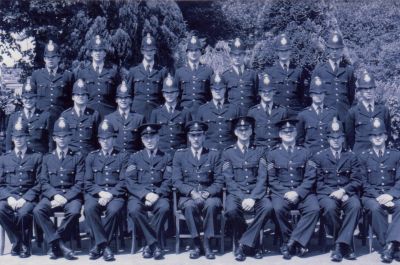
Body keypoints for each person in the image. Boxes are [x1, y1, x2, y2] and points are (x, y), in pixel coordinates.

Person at [267, 118, 320, 260]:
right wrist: (286, 193)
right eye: (285, 131)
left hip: (303, 192)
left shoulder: (306, 152)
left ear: (296, 133)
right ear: (280, 134)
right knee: (277, 209)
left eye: (291, 131)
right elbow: (272, 179)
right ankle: (291, 241)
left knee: (314, 209)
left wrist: (298, 192)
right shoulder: (272, 153)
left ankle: (291, 242)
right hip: (281, 193)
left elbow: (310, 177)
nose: (288, 133)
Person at [222, 116, 273, 261]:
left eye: (247, 129)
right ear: (235, 132)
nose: (243, 132)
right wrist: (244, 198)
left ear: (251, 131)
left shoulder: (260, 151)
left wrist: (253, 197)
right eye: (240, 129)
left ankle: (243, 245)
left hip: (256, 193)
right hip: (237, 194)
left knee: (268, 207)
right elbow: (229, 180)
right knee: (231, 210)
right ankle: (253, 245)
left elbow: (263, 178)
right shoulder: (228, 152)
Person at [33, 117, 84, 260]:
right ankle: (60, 244)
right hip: (52, 196)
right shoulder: (47, 157)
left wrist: (65, 198)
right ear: (54, 138)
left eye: (66, 136)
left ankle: (54, 243)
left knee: (74, 212)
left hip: (71, 196)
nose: (62, 139)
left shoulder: (78, 157)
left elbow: (80, 182)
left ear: (70, 137)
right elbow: (43, 181)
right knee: (38, 210)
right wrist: (55, 196)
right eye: (59, 136)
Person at [172, 121, 223, 259]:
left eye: (199, 135)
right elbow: (176, 181)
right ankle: (196, 244)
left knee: (212, 205)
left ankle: (207, 244)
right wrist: (192, 192)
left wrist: (207, 193)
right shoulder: (180, 155)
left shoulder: (213, 154)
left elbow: (219, 180)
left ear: (204, 136)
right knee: (188, 206)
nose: (196, 139)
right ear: (188, 137)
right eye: (193, 135)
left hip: (209, 195)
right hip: (188, 196)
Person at [313, 118, 361, 262]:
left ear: (343, 139)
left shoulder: (352, 156)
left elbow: (357, 180)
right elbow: (318, 182)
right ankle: (346, 245)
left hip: (347, 193)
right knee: (329, 208)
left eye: (338, 137)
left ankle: (339, 246)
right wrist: (335, 193)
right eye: (332, 137)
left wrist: (344, 191)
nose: (335, 140)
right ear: (328, 139)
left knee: (356, 206)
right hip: (326, 194)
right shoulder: (319, 157)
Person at [83, 119, 128, 261]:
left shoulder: (123, 156)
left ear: (114, 139)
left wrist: (110, 194)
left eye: (108, 138)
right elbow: (88, 182)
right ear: (98, 140)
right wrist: (101, 193)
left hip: (116, 194)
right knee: (89, 208)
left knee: (114, 210)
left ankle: (98, 246)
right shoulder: (92, 156)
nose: (105, 142)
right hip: (96, 194)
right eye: (102, 139)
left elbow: (124, 181)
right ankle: (105, 246)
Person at [126, 123, 172, 260]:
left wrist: (156, 194)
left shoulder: (166, 157)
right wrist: (145, 194)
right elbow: (130, 181)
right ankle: (154, 244)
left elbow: (168, 181)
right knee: (134, 210)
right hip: (139, 195)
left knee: (164, 207)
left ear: (158, 138)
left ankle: (148, 244)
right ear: (142, 140)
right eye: (146, 138)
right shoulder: (135, 157)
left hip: (159, 194)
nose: (149, 141)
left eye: (152, 137)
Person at [359, 118, 400, 263]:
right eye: (374, 136)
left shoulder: (396, 155)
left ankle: (390, 247)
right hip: (371, 196)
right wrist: (379, 197)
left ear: (386, 137)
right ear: (370, 138)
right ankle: (389, 246)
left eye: (380, 135)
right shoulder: (363, 157)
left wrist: (390, 195)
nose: (377, 138)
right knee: (375, 209)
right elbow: (363, 182)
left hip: (392, 194)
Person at [0, 117, 42, 258]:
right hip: (10, 196)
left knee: (24, 213)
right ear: (12, 138)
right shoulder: (4, 158)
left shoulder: (36, 157)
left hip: (28, 197)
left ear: (26, 137)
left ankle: (22, 244)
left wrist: (25, 198)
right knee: (0, 208)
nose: (18, 139)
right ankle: (19, 241)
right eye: (16, 136)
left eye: (22, 136)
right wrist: (9, 197)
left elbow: (40, 183)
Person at [312, 31, 356, 121]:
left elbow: (351, 95)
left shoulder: (348, 70)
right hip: (325, 117)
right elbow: (314, 95)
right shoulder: (319, 70)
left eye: (337, 49)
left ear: (342, 50)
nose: (334, 51)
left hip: (344, 116)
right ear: (328, 49)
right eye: (332, 49)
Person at [345, 71, 390, 153]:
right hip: (360, 154)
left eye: (371, 88)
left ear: (374, 89)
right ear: (360, 91)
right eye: (365, 88)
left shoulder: (384, 110)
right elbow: (349, 137)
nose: (369, 91)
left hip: (379, 154)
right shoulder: (353, 112)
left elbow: (387, 134)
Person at [75, 35, 119, 118]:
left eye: (100, 50)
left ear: (105, 53)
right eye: (95, 50)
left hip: (109, 113)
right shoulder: (83, 73)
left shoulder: (113, 72)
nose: (98, 53)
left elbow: (118, 96)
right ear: (91, 53)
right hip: (89, 114)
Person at [30, 40, 74, 123]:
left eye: (53, 57)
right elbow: (32, 97)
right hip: (40, 118)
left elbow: (71, 100)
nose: (50, 60)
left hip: (61, 118)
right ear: (44, 59)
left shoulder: (67, 75)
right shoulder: (36, 75)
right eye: (48, 57)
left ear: (59, 58)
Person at [127, 33, 167, 120]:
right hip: (136, 113)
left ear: (155, 51)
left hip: (156, 113)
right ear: (142, 51)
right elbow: (128, 95)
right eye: (146, 50)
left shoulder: (162, 71)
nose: (149, 53)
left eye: (151, 50)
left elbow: (166, 95)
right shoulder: (133, 71)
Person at [197, 73, 242, 150]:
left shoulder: (234, 109)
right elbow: (197, 135)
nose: (218, 91)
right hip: (209, 153)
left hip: (229, 152)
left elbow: (240, 133)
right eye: (215, 89)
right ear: (211, 90)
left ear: (225, 89)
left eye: (220, 88)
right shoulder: (202, 110)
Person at [150, 74, 192, 156]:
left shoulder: (185, 112)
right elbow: (152, 137)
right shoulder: (156, 113)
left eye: (172, 92)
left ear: (177, 93)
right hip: (161, 155)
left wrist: (188, 155)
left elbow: (189, 137)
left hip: (180, 155)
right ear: (163, 94)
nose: (169, 95)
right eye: (167, 92)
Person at [6, 80, 51, 154]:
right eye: (25, 98)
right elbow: (8, 141)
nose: (28, 101)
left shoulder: (45, 116)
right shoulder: (14, 117)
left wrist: (49, 158)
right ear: (22, 99)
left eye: (31, 98)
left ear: (36, 98)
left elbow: (50, 141)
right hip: (21, 158)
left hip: (40, 157)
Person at [296, 76, 339, 154]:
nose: (318, 96)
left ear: (325, 94)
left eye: (321, 93)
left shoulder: (333, 113)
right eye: (315, 93)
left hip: (329, 155)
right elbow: (299, 140)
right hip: (311, 155)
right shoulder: (303, 115)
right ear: (311, 95)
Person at [267, 33, 306, 118]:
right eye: (281, 51)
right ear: (277, 52)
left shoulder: (298, 71)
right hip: (277, 114)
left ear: (290, 51)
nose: (283, 53)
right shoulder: (270, 72)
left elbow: (301, 94)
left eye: (286, 50)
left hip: (295, 113)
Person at [61, 79, 101, 156]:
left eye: (83, 95)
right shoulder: (65, 115)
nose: (80, 97)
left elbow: (98, 138)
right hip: (71, 156)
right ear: (73, 97)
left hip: (89, 155)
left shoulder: (94, 115)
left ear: (88, 97)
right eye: (77, 95)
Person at [175, 35, 213, 116]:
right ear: (187, 53)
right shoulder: (179, 72)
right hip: (184, 113)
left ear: (201, 52)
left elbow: (212, 95)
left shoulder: (208, 71)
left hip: (203, 113)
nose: (194, 53)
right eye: (191, 50)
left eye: (196, 50)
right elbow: (176, 96)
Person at [247, 73, 287, 149]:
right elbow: (249, 136)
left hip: (277, 149)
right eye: (264, 91)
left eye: (270, 91)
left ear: (274, 92)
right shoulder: (253, 112)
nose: (267, 93)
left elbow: (285, 134)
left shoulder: (282, 111)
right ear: (259, 93)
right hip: (258, 150)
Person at [105, 81, 145, 153]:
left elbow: (142, 143)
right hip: (115, 158)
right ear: (116, 100)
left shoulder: (139, 118)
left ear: (131, 100)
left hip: (133, 157)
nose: (123, 100)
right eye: (120, 98)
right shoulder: (109, 119)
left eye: (126, 97)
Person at [222, 38, 258, 114]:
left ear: (244, 55)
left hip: (249, 114)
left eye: (240, 55)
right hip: (233, 115)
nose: (237, 57)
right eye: (235, 55)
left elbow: (257, 96)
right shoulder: (225, 76)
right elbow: (223, 99)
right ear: (231, 56)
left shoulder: (252, 74)